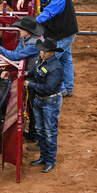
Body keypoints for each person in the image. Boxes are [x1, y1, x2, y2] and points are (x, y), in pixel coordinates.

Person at [17, 0, 78, 97]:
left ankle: (61, 89)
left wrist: (32, 24)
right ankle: (68, 88)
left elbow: (48, 13)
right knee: (66, 59)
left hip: (62, 35)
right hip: (65, 33)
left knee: (50, 60)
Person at [0, 16, 44, 143]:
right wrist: (9, 69)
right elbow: (16, 54)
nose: (19, 30)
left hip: (35, 78)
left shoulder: (33, 44)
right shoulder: (26, 39)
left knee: (34, 106)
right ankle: (33, 133)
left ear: (26, 31)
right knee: (32, 106)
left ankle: (36, 135)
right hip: (31, 74)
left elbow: (15, 55)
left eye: (20, 28)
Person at [24, 38, 64, 173]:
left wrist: (30, 84)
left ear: (51, 52)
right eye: (41, 50)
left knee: (50, 131)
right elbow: (35, 71)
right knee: (41, 130)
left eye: (44, 51)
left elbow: (49, 88)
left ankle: (50, 160)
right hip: (41, 99)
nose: (41, 52)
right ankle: (44, 157)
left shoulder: (56, 67)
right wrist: (27, 73)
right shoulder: (42, 61)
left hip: (50, 101)